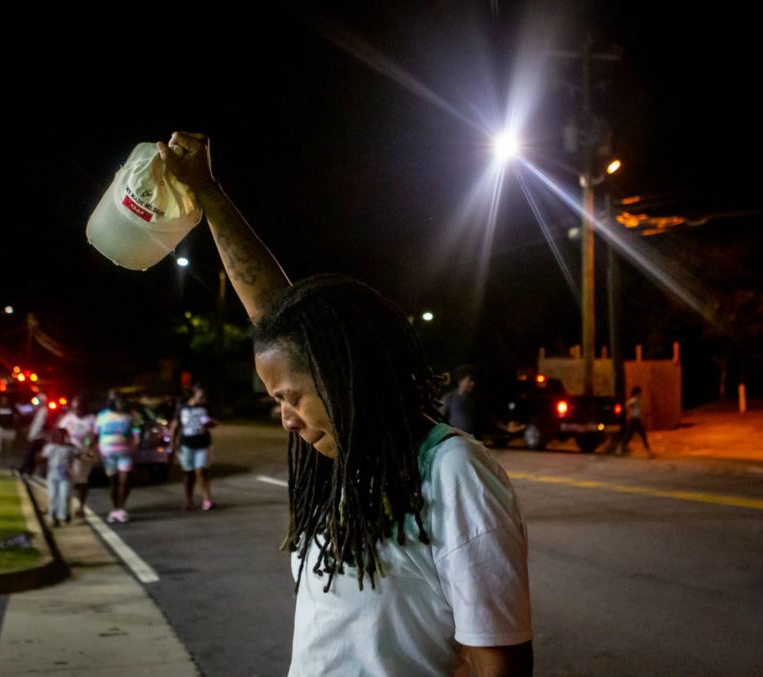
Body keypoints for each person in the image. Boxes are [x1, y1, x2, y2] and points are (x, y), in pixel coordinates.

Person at [156, 132, 533, 676]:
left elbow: (499, 662)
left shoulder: (452, 470)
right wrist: (208, 193)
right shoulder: (345, 457)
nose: (285, 419)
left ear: (341, 379)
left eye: (290, 399)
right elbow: (278, 316)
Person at [94, 391, 139, 524]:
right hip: (108, 455)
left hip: (125, 453)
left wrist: (135, 445)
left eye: (123, 401)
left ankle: (122, 508)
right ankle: (115, 508)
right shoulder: (102, 415)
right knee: (113, 481)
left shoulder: (131, 415)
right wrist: (92, 449)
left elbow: (136, 431)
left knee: (124, 480)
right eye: (119, 401)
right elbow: (95, 434)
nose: (122, 404)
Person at [170, 385, 215, 511]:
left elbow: (212, 422)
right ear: (193, 395)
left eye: (204, 396)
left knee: (201, 471)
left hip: (203, 444)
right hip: (186, 445)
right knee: (188, 474)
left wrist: (211, 424)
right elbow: (175, 426)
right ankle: (188, 500)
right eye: (200, 396)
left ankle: (207, 499)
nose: (202, 399)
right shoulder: (182, 408)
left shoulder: (205, 407)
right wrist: (172, 442)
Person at [56, 395, 96, 519]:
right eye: (74, 408)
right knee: (65, 480)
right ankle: (63, 508)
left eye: (79, 408)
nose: (77, 410)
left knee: (81, 482)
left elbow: (95, 436)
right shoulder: (68, 418)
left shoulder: (91, 419)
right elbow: (59, 432)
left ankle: (81, 506)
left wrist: (87, 446)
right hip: (68, 454)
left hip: (83, 455)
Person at [41, 427, 76, 527]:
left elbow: (80, 455)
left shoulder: (70, 448)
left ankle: (63, 515)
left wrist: (88, 455)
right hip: (52, 474)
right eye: (59, 436)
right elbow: (42, 458)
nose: (61, 438)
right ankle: (52, 517)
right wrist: (42, 466)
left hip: (65, 475)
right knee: (53, 496)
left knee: (64, 495)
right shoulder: (49, 447)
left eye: (63, 436)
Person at [442, 365, 479, 434]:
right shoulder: (449, 398)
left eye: (473, 380)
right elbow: (439, 418)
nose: (473, 384)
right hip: (454, 440)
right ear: (461, 380)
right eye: (470, 380)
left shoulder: (474, 401)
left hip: (470, 440)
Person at [20, 393, 49, 477]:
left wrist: (32, 436)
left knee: (30, 454)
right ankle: (28, 470)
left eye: (39, 401)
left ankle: (26, 470)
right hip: (35, 435)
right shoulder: (39, 410)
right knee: (32, 454)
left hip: (37, 437)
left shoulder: (44, 411)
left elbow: (39, 425)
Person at [0, 393, 19, 469]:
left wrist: (14, 427)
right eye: (2, 399)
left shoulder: (12, 408)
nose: (4, 400)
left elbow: (16, 418)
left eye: (5, 399)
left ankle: (10, 463)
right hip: (0, 429)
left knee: (9, 448)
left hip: (9, 430)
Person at [622, 386, 651, 456]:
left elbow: (639, 410)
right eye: (640, 392)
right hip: (634, 420)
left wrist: (644, 414)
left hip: (636, 420)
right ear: (637, 393)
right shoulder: (634, 400)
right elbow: (627, 405)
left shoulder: (638, 400)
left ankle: (622, 448)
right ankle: (648, 451)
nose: (641, 394)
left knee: (634, 435)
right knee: (641, 435)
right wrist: (630, 410)